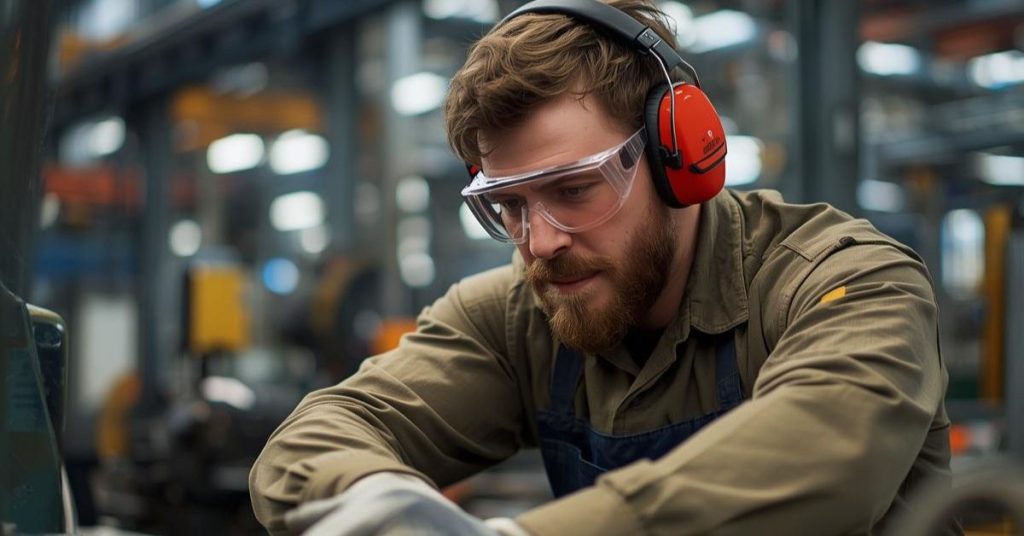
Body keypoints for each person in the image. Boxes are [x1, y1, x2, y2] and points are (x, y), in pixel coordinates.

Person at [249, 0, 954, 534]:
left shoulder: (848, 281)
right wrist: (379, 501)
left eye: (574, 190)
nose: (540, 241)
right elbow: (309, 444)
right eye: (509, 205)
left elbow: (830, 454)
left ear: (680, 155)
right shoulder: (517, 317)